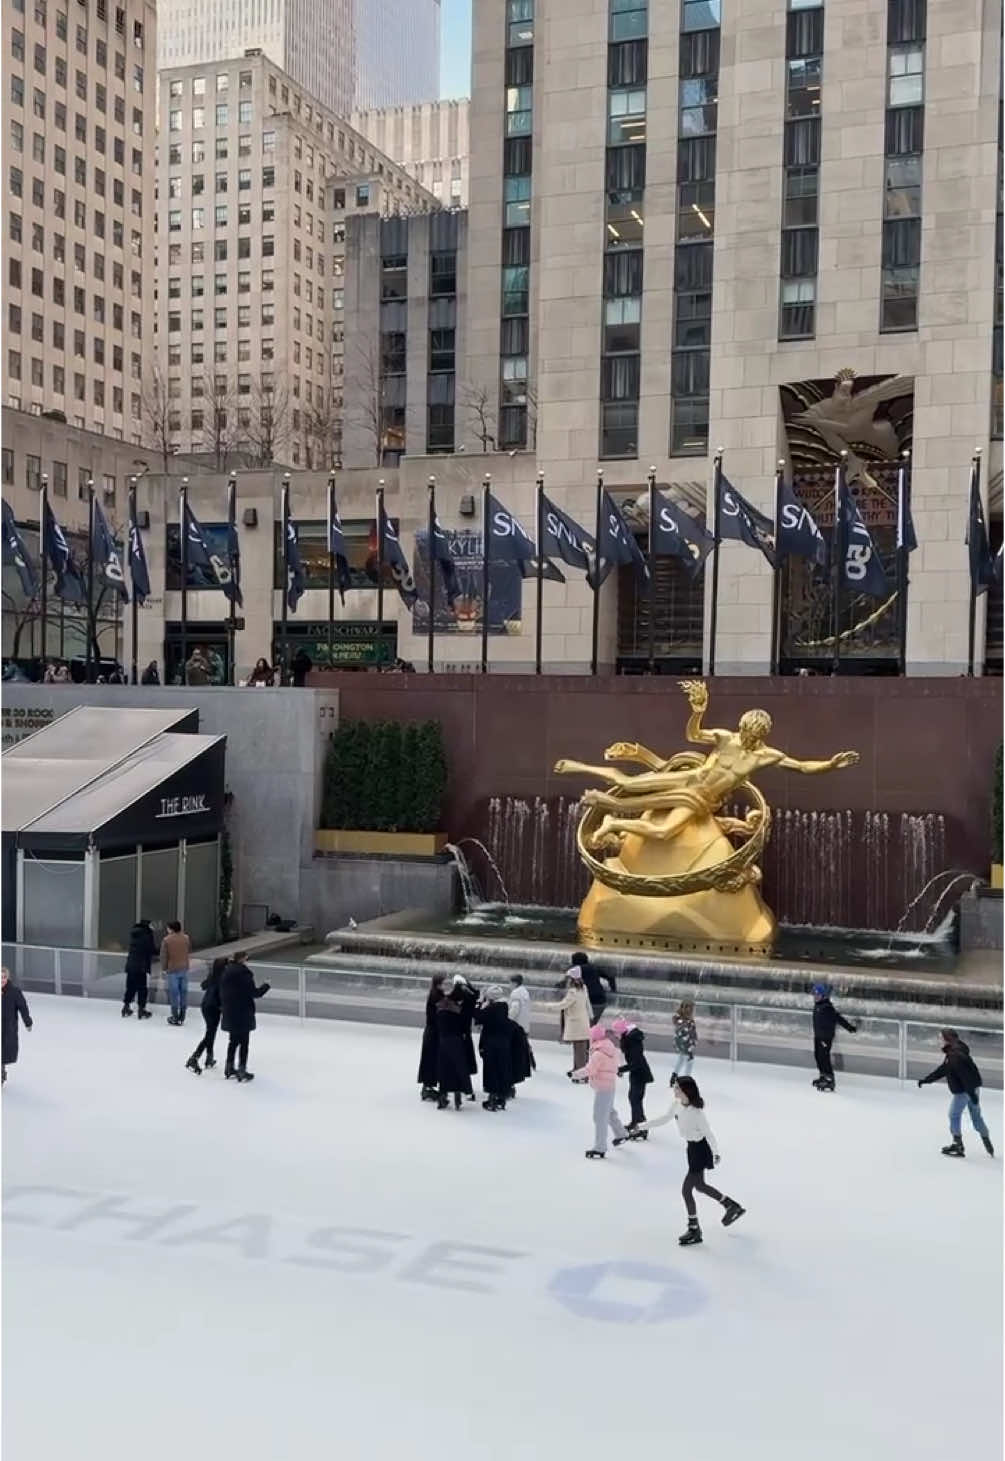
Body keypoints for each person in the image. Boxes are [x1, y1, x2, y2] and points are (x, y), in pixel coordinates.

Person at [631, 1076, 745, 1245]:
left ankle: (694, 1229)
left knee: (687, 1190)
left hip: (700, 1150)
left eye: (677, 1087)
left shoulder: (696, 1113)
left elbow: (708, 1133)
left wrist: (715, 1152)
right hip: (691, 1149)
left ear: (686, 1090)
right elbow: (663, 1119)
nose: (674, 1089)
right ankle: (730, 1205)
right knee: (700, 1186)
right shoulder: (677, 1105)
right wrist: (640, 1126)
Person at [918, 1030, 995, 1158]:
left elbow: (965, 1076)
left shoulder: (955, 1056)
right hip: (973, 1088)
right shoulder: (956, 1051)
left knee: (953, 1115)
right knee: (976, 1117)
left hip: (965, 1090)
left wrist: (971, 1094)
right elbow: (944, 1069)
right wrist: (927, 1080)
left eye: (941, 1038)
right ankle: (987, 1142)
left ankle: (958, 1145)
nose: (939, 1041)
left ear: (948, 1039)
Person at [571, 1024, 629, 1159]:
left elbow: (589, 1070)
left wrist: (574, 1074)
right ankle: (621, 1133)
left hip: (602, 1087)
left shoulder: (598, 1053)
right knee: (609, 1112)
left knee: (599, 1117)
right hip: (610, 1085)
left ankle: (600, 1147)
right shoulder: (611, 1048)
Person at [220, 953, 270, 1082]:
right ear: (242, 959)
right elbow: (254, 993)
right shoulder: (244, 974)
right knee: (244, 1042)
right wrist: (266, 986)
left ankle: (229, 1067)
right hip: (243, 1012)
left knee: (233, 1041)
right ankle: (241, 1069)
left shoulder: (226, 972)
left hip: (230, 1011)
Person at [811, 982, 857, 1091]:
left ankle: (829, 1079)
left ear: (824, 996)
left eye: (818, 995)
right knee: (818, 1056)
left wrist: (850, 1027)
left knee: (824, 1057)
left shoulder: (827, 1007)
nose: (816, 997)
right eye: (815, 995)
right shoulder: (818, 1005)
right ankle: (823, 1076)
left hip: (825, 1037)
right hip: (818, 1036)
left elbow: (838, 1018)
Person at [474, 986, 513, 1111]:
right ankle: (501, 1098)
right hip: (504, 1043)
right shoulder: (504, 1007)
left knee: (491, 1070)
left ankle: (492, 1098)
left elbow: (478, 1017)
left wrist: (479, 1002)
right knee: (501, 1069)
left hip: (491, 1043)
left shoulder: (492, 1009)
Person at [434, 985, 474, 1110]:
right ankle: (458, 1094)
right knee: (458, 1067)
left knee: (444, 1068)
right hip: (456, 1041)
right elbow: (464, 1027)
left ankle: (442, 1096)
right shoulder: (458, 1011)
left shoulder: (440, 1007)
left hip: (443, 1041)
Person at [612, 1015, 653, 1136]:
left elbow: (636, 1062)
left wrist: (621, 1069)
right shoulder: (631, 1039)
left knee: (636, 1099)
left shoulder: (633, 1041)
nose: (615, 1035)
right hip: (637, 1073)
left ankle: (641, 1126)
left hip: (639, 1073)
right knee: (634, 1098)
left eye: (616, 1032)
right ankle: (636, 1122)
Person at [186, 957, 226, 1075]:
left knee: (210, 1032)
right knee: (210, 1034)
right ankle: (194, 1057)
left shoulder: (213, 976)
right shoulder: (223, 978)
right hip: (214, 1008)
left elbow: (203, 985)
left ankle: (209, 1057)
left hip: (206, 1006)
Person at [556, 966, 592, 1074]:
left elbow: (564, 1004)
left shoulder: (573, 991)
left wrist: (548, 1006)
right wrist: (591, 1016)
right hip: (583, 1021)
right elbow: (588, 1003)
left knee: (579, 1049)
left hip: (576, 1023)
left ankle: (580, 1072)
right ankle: (577, 1068)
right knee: (580, 1048)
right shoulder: (583, 987)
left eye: (568, 978)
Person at [450, 972, 479, 1097]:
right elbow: (475, 994)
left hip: (455, 1034)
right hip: (466, 1034)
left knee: (456, 1061)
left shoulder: (454, 999)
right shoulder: (470, 999)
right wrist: (468, 986)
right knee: (466, 1061)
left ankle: (457, 1086)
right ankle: (467, 1088)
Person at [417, 973, 446, 1101]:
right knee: (431, 1059)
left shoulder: (436, 994)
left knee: (430, 1059)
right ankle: (427, 1088)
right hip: (434, 1033)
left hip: (432, 1032)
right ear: (439, 983)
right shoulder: (437, 996)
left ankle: (428, 1086)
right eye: (445, 982)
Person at [2, 967, 33, 1084]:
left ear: (7, 978)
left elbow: (23, 1007)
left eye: (4, 977)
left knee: (4, 1050)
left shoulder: (14, 992)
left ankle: (1, 1071)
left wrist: (28, 1022)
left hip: (8, 1026)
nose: (2, 980)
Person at [122, 918, 156, 1019]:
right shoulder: (147, 935)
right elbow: (152, 949)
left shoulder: (134, 934)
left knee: (130, 987)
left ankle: (126, 1007)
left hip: (130, 965)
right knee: (142, 988)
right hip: (141, 967)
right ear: (147, 926)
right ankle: (142, 1009)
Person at [570, 951, 616, 1025]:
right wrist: (613, 990)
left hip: (588, 1000)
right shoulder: (594, 967)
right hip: (601, 1000)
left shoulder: (576, 969)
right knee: (591, 1024)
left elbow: (568, 982)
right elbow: (611, 977)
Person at [160, 919, 192, 1026]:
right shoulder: (186, 938)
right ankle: (182, 1015)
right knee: (183, 992)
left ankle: (175, 1016)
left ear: (172, 929)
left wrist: (164, 969)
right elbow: (188, 950)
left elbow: (164, 956)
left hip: (172, 969)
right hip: (184, 968)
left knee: (174, 993)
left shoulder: (166, 940)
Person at [507, 973, 534, 1097]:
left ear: (515, 983)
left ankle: (510, 1084)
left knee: (513, 1054)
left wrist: (506, 1019)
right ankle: (531, 1060)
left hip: (516, 1026)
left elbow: (514, 1009)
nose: (509, 985)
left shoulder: (516, 994)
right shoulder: (524, 992)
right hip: (524, 1025)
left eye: (510, 982)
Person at [671, 1000, 698, 1085]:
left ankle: (675, 1076)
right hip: (683, 1041)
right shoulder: (679, 1017)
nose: (692, 1010)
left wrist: (694, 1040)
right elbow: (681, 1028)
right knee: (689, 1059)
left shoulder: (689, 1018)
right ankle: (686, 1080)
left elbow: (693, 1031)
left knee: (682, 1058)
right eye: (690, 1007)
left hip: (687, 1041)